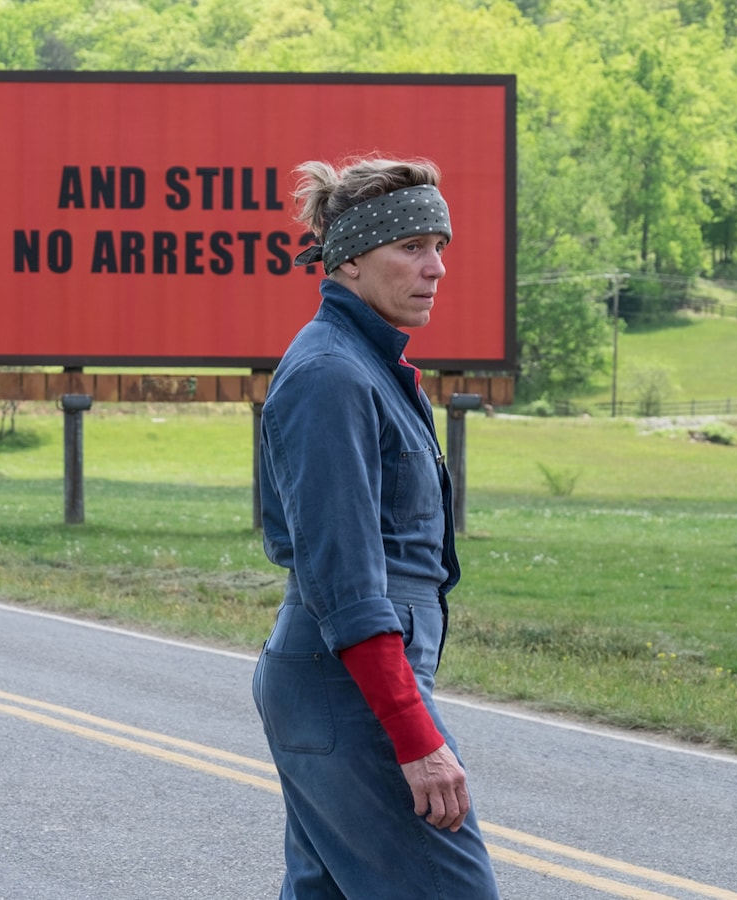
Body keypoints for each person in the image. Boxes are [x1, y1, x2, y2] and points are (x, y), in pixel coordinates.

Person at [252, 156, 501, 899]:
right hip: (349, 689)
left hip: (340, 685)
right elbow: (348, 584)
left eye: (441, 248)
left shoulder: (365, 365)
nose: (435, 269)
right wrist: (414, 734)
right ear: (351, 259)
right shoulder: (333, 376)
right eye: (413, 248)